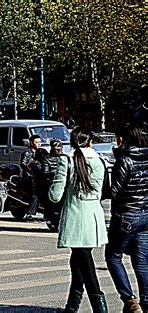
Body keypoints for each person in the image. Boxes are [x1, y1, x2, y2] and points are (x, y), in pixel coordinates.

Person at [49, 126, 109, 312]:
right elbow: (104, 191)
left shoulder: (66, 161)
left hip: (76, 217)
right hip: (94, 217)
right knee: (77, 262)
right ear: (90, 142)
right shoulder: (100, 161)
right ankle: (71, 307)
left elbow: (55, 195)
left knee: (85, 263)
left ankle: (100, 308)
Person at [105, 125, 147, 313]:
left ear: (122, 139)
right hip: (146, 214)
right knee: (142, 260)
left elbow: (115, 191)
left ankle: (130, 300)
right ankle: (146, 302)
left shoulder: (124, 160)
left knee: (113, 256)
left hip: (127, 214)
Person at [20, 134, 42, 218]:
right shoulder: (27, 153)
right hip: (29, 177)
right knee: (36, 193)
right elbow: (23, 164)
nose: (39, 144)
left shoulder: (42, 152)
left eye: (40, 142)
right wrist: (30, 166)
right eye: (36, 142)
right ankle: (30, 213)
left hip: (39, 176)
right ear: (32, 143)